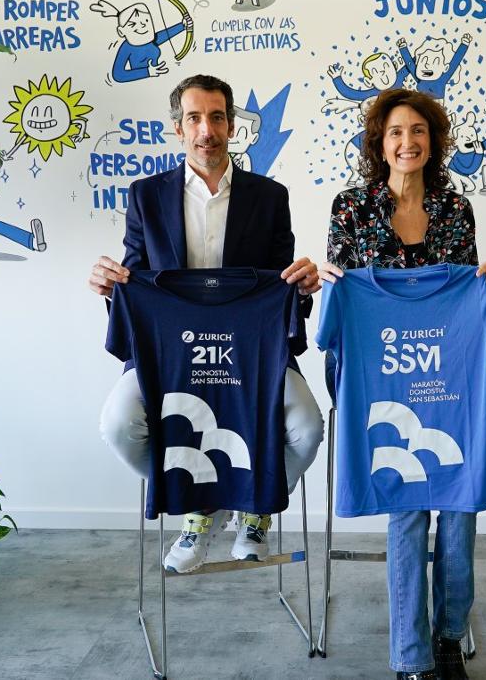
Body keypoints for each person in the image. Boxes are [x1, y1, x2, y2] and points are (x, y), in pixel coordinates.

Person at [90, 74, 324, 572]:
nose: (206, 130)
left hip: (253, 354)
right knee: (118, 426)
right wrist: (111, 287)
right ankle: (200, 506)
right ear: (178, 128)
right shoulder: (146, 195)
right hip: (170, 355)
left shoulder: (269, 196)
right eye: (194, 118)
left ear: (232, 125)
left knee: (307, 426)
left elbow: (283, 291)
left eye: (217, 117)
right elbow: (135, 280)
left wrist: (300, 288)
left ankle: (255, 506)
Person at [318, 88, 486, 680]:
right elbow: (339, 290)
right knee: (407, 507)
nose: (408, 142)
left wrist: (482, 282)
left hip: (447, 380)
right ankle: (410, 655)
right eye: (396, 131)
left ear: (434, 141)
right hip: (383, 381)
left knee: (461, 506)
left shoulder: (454, 209)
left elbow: (462, 293)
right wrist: (329, 283)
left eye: (419, 130)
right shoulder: (351, 208)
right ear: (380, 141)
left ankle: (450, 635)